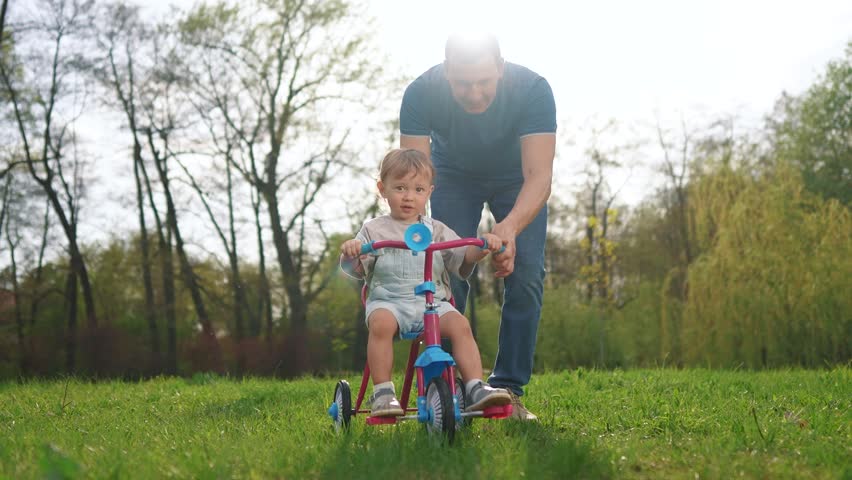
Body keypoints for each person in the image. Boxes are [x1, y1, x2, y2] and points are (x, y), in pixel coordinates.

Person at [399, 33, 556, 420]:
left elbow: (539, 175)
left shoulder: (533, 90)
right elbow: (415, 177)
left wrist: (510, 228)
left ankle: (508, 390)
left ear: (500, 68)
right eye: (462, 84)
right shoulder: (420, 94)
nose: (473, 94)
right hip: (453, 176)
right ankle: (451, 389)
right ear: (446, 72)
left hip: (516, 177)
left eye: (483, 82)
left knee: (527, 273)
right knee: (445, 272)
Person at [341, 148, 512, 417]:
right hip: (389, 303)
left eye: (418, 189)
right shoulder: (374, 229)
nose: (409, 196)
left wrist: (483, 246)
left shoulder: (436, 230)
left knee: (460, 325)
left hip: (432, 306)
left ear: (429, 192)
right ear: (382, 189)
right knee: (381, 324)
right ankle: (384, 393)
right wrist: (354, 250)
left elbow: (463, 256)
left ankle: (475, 387)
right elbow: (358, 268)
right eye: (400, 187)